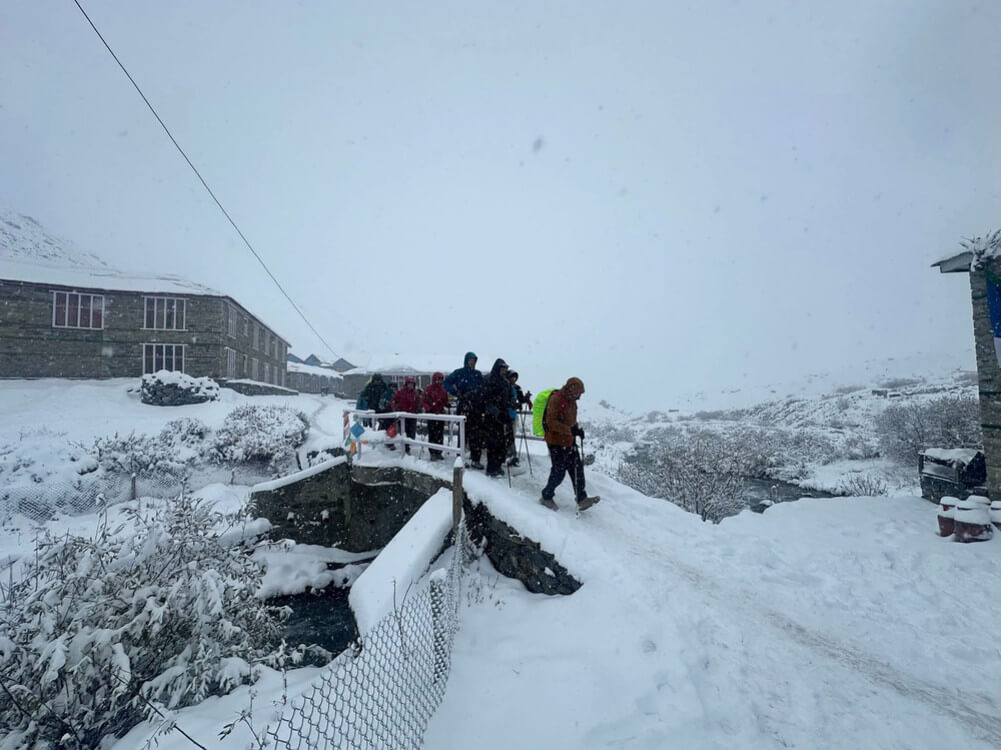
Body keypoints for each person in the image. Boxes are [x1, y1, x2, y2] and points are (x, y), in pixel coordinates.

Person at [540, 377, 599, 510]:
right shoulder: (556, 399)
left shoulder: (572, 402)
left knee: (577, 468)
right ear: (571, 389)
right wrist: (569, 430)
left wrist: (576, 430)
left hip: (568, 440)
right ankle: (546, 496)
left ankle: (581, 499)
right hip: (555, 441)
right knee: (559, 471)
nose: (579, 397)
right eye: (578, 393)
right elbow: (551, 422)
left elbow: (572, 420)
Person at [444, 352, 485, 468]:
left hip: (476, 407)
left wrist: (479, 398)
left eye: (474, 360)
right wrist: (456, 393)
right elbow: (446, 383)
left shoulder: (478, 374)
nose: (473, 362)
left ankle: (475, 459)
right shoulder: (459, 373)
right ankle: (460, 458)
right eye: (471, 360)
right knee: (463, 433)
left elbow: (483, 389)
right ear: (466, 360)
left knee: (476, 435)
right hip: (464, 407)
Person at [481, 358, 516, 477]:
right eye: (502, 369)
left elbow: (510, 397)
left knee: (502, 443)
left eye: (505, 369)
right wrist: (496, 412)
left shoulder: (506, 383)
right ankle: (491, 468)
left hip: (503, 416)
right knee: (492, 443)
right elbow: (486, 400)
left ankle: (499, 465)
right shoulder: (488, 380)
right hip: (491, 417)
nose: (504, 371)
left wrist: (513, 404)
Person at [506, 370, 532, 466]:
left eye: (515, 377)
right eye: (512, 377)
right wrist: (516, 404)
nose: (513, 379)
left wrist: (526, 398)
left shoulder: (517, 388)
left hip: (512, 415)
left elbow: (521, 400)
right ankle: (511, 455)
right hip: (505, 415)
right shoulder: (505, 387)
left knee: (511, 436)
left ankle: (511, 455)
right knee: (508, 437)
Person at [423, 371, 450, 461]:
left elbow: (445, 401)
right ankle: (432, 452)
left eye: (441, 379)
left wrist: (447, 404)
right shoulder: (428, 389)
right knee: (432, 434)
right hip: (431, 415)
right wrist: (428, 408)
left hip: (440, 414)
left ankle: (439, 452)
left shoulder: (443, 390)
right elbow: (424, 401)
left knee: (440, 434)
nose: (439, 381)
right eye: (438, 379)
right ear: (434, 379)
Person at [391, 376, 422, 454]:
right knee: (404, 432)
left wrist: (419, 408)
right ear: (406, 384)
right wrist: (395, 409)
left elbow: (419, 403)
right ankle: (406, 449)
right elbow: (394, 401)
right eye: (409, 384)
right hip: (403, 416)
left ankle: (407, 447)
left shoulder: (415, 393)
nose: (411, 385)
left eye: (412, 384)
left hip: (412, 416)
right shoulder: (401, 392)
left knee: (411, 434)